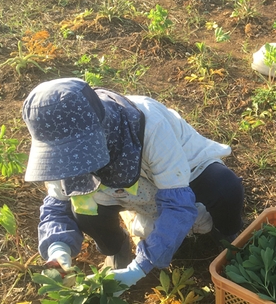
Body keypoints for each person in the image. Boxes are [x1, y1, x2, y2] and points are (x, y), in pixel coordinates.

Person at [22, 78, 244, 291]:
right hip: (130, 191)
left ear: (101, 127)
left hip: (186, 173)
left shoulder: (148, 123)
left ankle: (226, 232)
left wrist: (140, 267)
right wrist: (58, 248)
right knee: (83, 211)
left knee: (225, 188)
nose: (71, 160)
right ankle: (116, 247)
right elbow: (57, 205)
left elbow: (178, 204)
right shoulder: (58, 154)